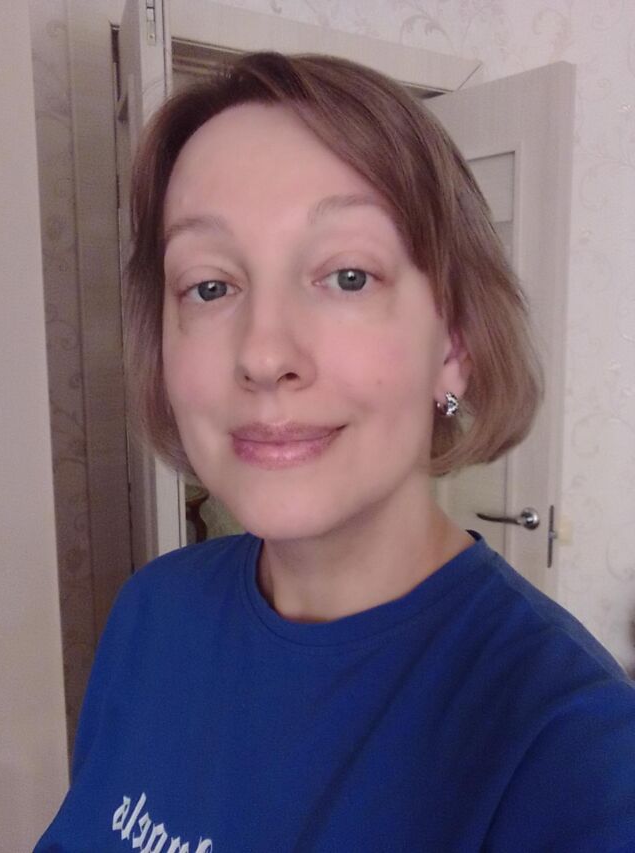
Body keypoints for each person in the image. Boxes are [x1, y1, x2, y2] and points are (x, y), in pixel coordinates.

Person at [37, 52, 635, 852]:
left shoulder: (581, 754)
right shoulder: (152, 612)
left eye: (348, 275)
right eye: (210, 287)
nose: (264, 353)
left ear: (454, 343)